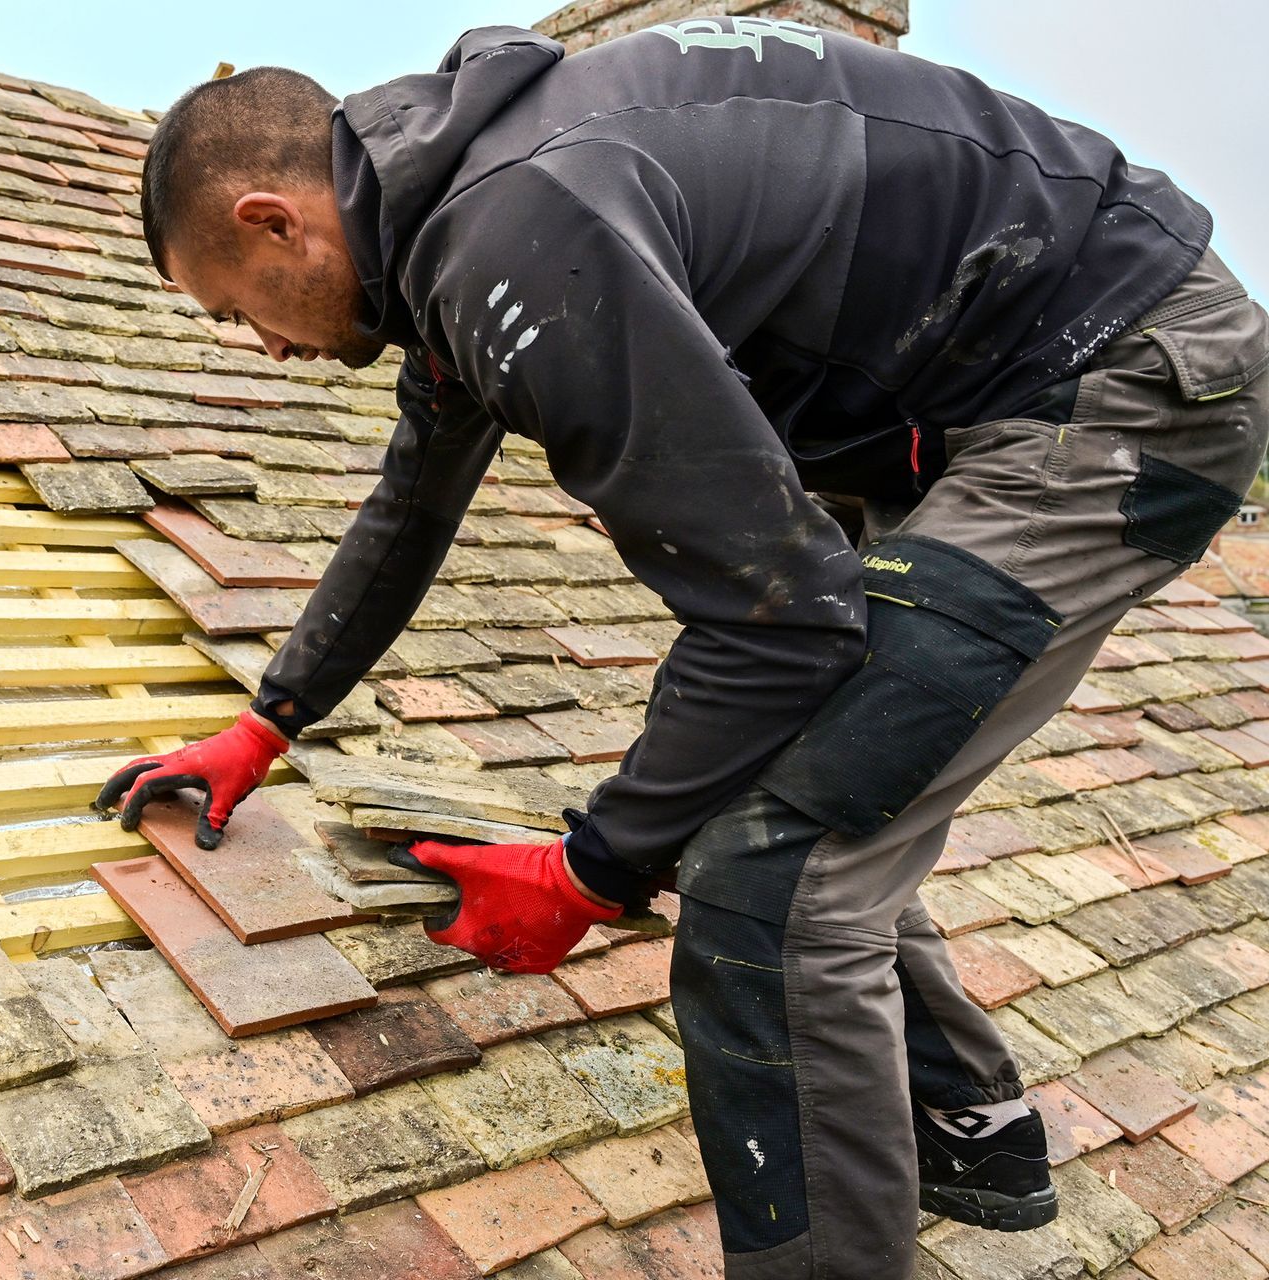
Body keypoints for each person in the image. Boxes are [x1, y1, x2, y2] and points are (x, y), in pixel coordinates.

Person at [93, 17, 1269, 1278]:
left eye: (236, 311)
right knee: (827, 780)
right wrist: (267, 720)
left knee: (768, 874)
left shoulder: (520, 233)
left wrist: (590, 871)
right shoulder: (450, 222)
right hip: (969, 396)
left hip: (1108, 375)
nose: (266, 347)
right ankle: (963, 1128)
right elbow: (410, 510)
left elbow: (782, 618)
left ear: (275, 221)